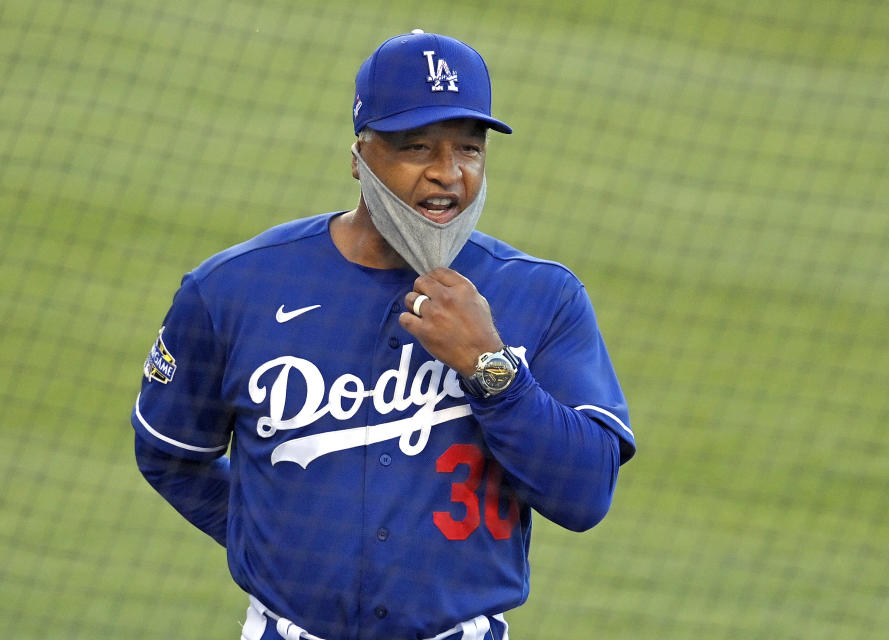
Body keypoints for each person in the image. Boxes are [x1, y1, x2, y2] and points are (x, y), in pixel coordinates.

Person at [132, 29, 635, 640]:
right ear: (358, 157)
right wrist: (279, 540)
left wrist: (491, 367)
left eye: (469, 150)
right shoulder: (234, 289)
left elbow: (585, 497)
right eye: (416, 147)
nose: (447, 175)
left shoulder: (543, 297)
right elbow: (170, 453)